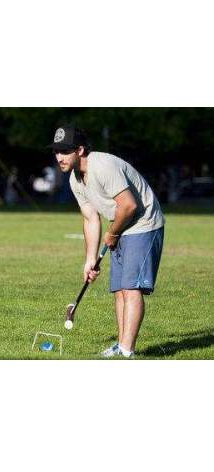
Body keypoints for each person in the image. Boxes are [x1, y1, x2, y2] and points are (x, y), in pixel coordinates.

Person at [48, 126, 165, 358]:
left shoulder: (102, 166)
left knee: (131, 288)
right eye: (56, 151)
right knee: (120, 289)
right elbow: (90, 218)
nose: (59, 157)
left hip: (143, 222)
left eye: (64, 151)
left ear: (80, 150)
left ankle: (126, 351)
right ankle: (121, 345)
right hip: (121, 224)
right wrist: (90, 259)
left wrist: (112, 234)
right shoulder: (75, 178)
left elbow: (129, 205)